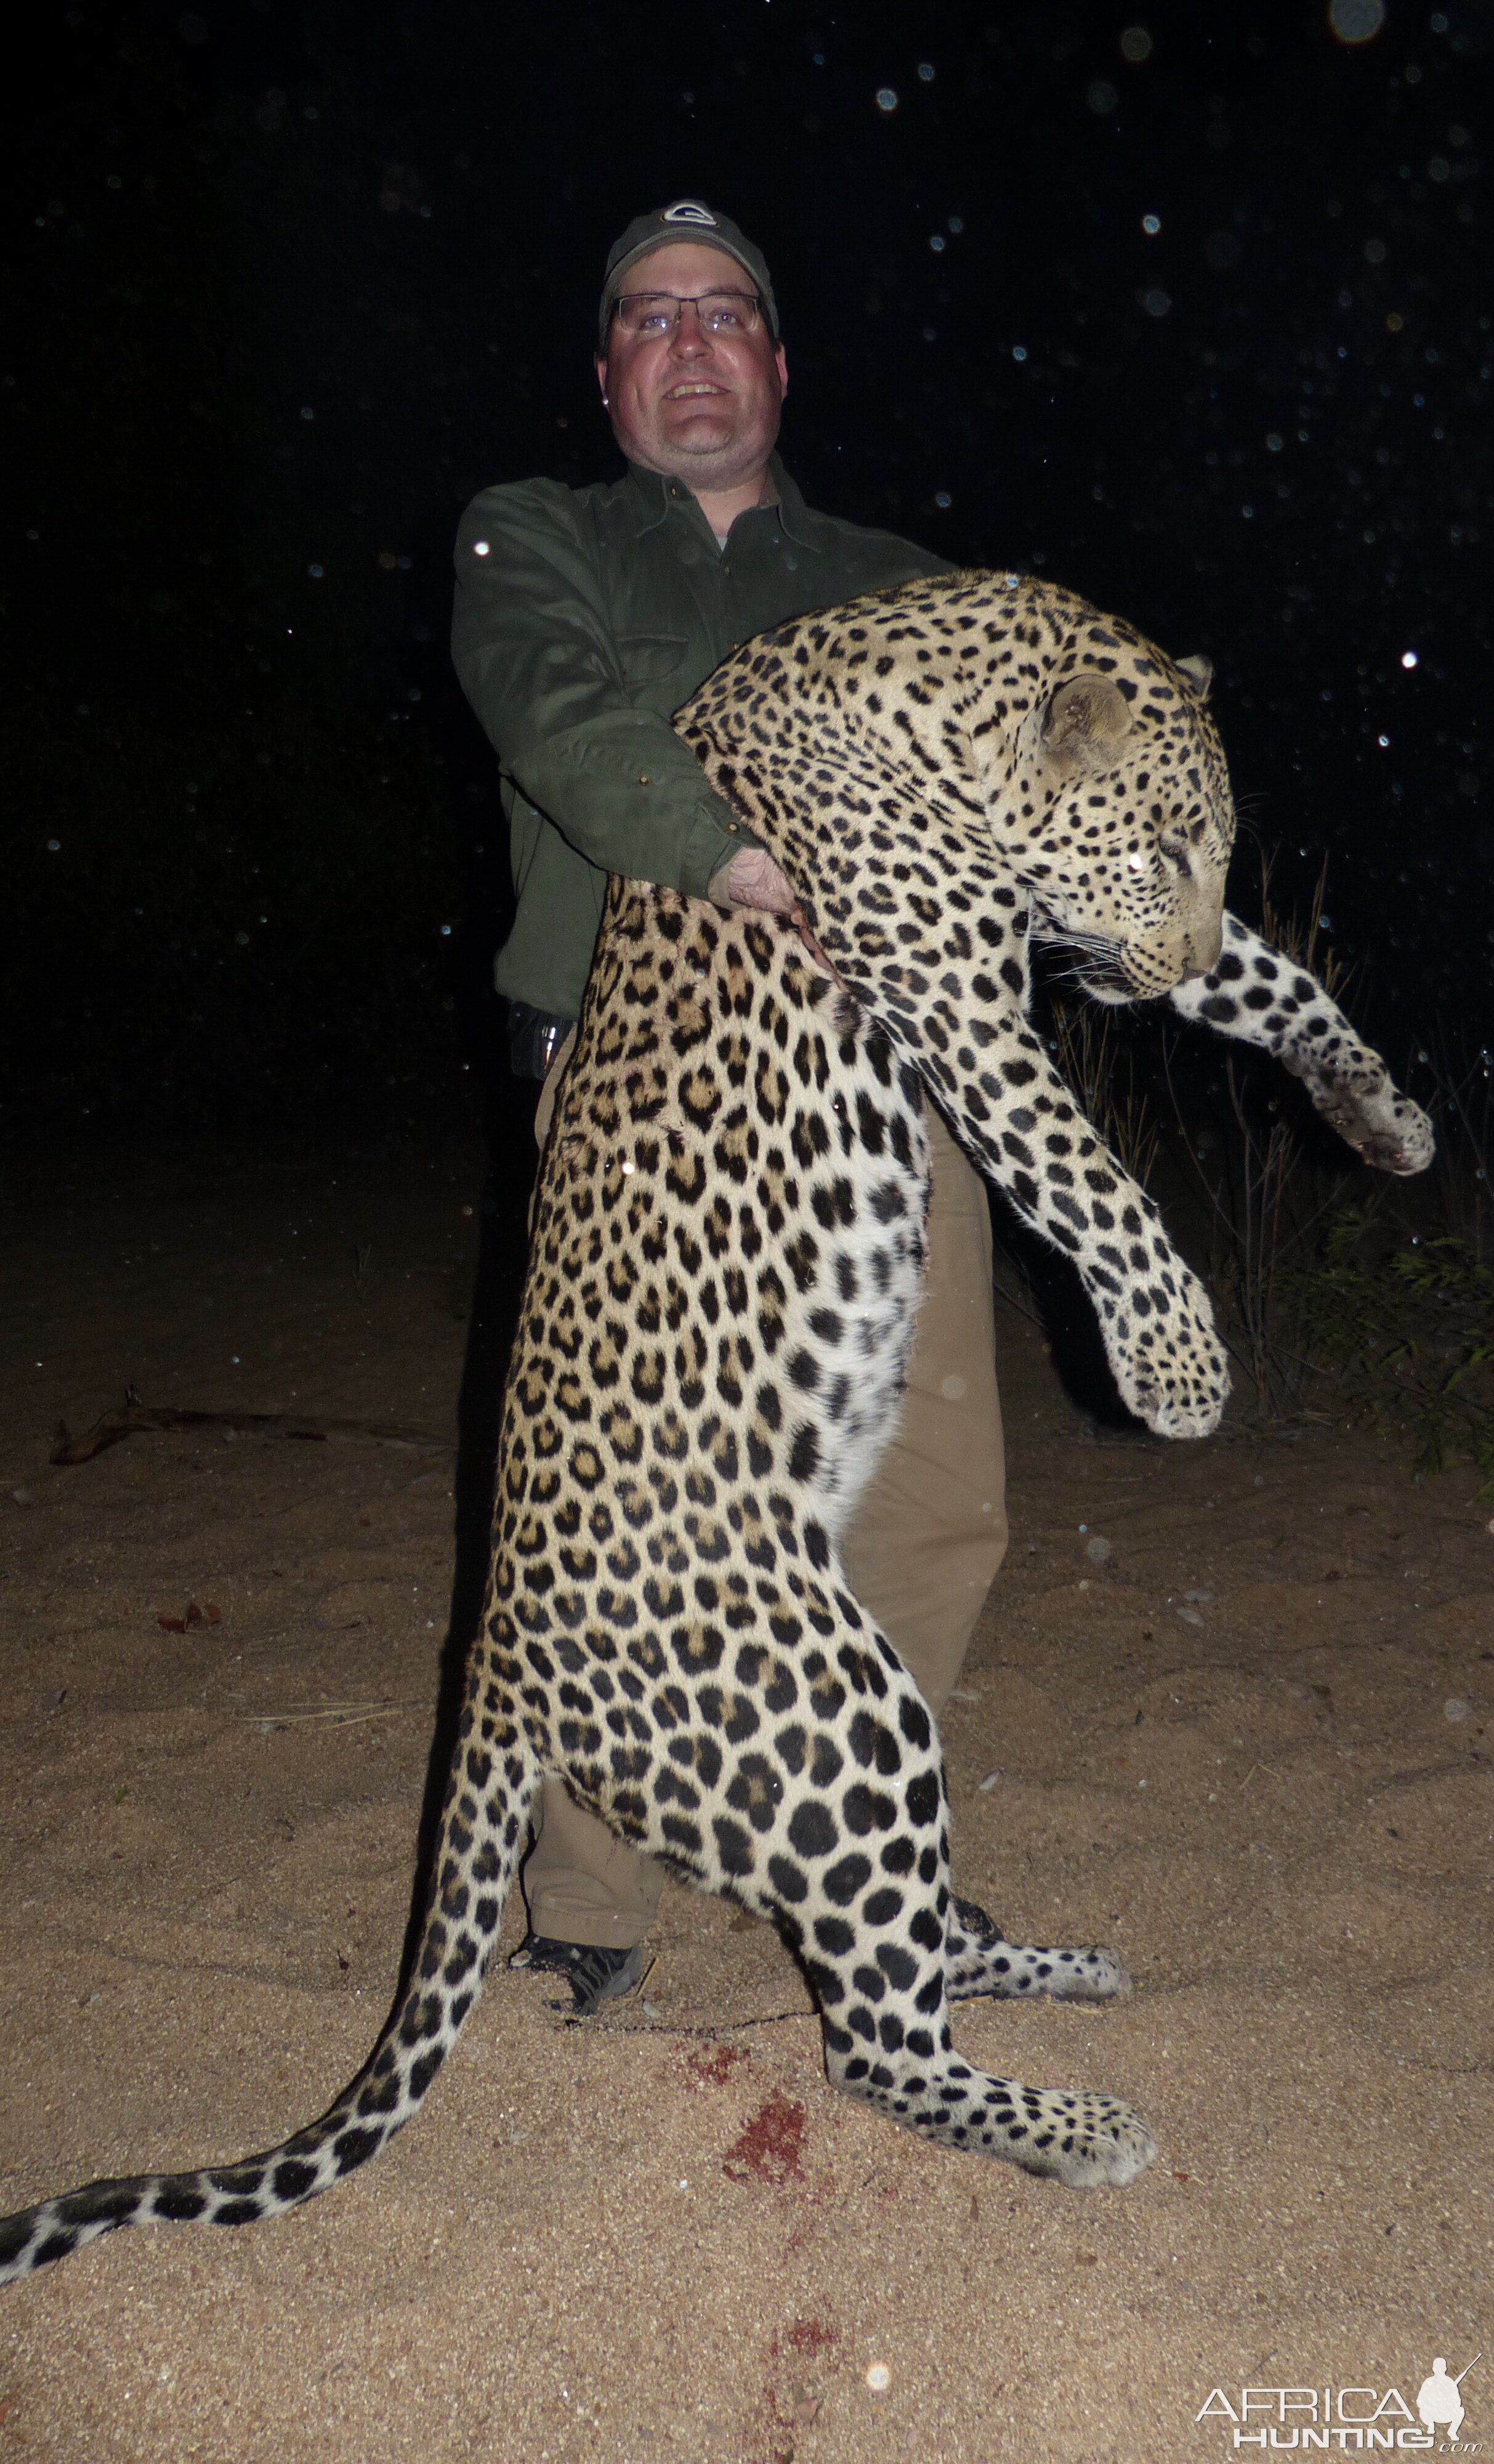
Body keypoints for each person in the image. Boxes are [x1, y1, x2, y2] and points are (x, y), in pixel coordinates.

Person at [451, 200, 1008, 2012]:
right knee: (632, 1525)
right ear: (605, 372)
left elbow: (1012, 801)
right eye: (647, 320)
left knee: (931, 1500)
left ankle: (879, 1877)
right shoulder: (531, 538)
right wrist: (755, 853)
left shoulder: (903, 576)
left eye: (723, 316)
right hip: (637, 1110)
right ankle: (595, 1907)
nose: (688, 347)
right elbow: (561, 716)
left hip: (882, 1086)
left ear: (778, 360)